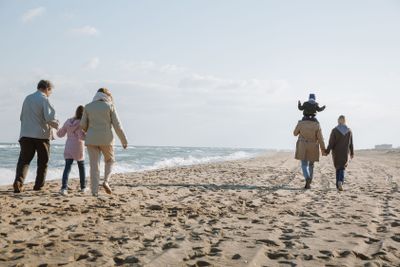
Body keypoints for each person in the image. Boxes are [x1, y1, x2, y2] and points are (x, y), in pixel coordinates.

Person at [13, 80, 59, 193]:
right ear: (47, 88)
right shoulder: (44, 99)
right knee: (43, 161)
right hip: (40, 135)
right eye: (50, 91)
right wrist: (57, 124)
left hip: (25, 134)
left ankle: (18, 183)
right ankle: (39, 186)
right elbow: (49, 119)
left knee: (24, 161)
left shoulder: (27, 98)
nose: (50, 93)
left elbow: (21, 117)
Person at [80, 88, 128, 197]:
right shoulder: (110, 106)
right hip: (106, 139)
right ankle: (106, 181)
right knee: (110, 160)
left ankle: (94, 192)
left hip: (91, 139)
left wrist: (90, 129)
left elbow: (82, 125)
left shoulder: (88, 106)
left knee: (94, 166)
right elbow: (117, 126)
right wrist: (124, 141)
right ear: (107, 95)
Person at [57, 105, 86, 195]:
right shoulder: (82, 123)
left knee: (67, 167)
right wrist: (87, 134)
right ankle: (83, 187)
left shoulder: (68, 121)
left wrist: (57, 128)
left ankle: (64, 188)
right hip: (78, 146)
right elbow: (81, 137)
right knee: (81, 166)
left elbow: (60, 134)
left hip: (69, 145)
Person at [293, 119, 326, 189]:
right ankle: (309, 182)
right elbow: (320, 138)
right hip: (313, 146)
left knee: (304, 164)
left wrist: (299, 125)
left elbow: (295, 133)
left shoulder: (301, 123)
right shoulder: (317, 124)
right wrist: (323, 149)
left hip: (303, 146)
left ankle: (307, 177)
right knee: (311, 165)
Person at [325, 115, 354, 191]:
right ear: (345, 121)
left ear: (338, 121)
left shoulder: (334, 130)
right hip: (345, 152)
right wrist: (352, 153)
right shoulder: (349, 130)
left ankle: (338, 183)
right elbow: (351, 143)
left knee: (338, 167)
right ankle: (340, 182)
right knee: (342, 167)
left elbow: (331, 143)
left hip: (336, 152)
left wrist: (327, 151)